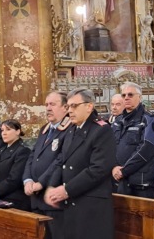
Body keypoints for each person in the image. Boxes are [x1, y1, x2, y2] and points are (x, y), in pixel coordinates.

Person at [45, 89, 116, 239]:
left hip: (91, 206)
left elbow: (98, 168)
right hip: (72, 203)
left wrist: (67, 190)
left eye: (74, 106)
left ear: (89, 106)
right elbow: (61, 161)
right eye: (69, 106)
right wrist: (52, 186)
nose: (70, 111)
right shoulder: (71, 130)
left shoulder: (101, 130)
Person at [23, 91, 70, 239]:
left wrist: (41, 183)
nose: (48, 108)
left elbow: (60, 159)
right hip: (36, 198)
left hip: (54, 199)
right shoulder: (45, 129)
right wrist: (27, 180)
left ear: (65, 107)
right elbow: (32, 156)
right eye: (47, 104)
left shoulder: (69, 130)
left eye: (53, 104)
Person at [112, 82, 154, 198]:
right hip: (119, 180)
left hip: (140, 182)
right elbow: (109, 146)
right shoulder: (117, 121)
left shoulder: (148, 119)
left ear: (139, 97)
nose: (126, 98)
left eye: (130, 95)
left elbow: (146, 149)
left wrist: (124, 170)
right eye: (123, 95)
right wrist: (113, 167)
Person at [0, 119, 31, 211]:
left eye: (8, 129)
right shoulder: (1, 151)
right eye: (2, 130)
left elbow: (14, 178)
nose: (4, 133)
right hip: (0, 199)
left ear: (18, 131)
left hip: (15, 201)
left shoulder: (23, 151)